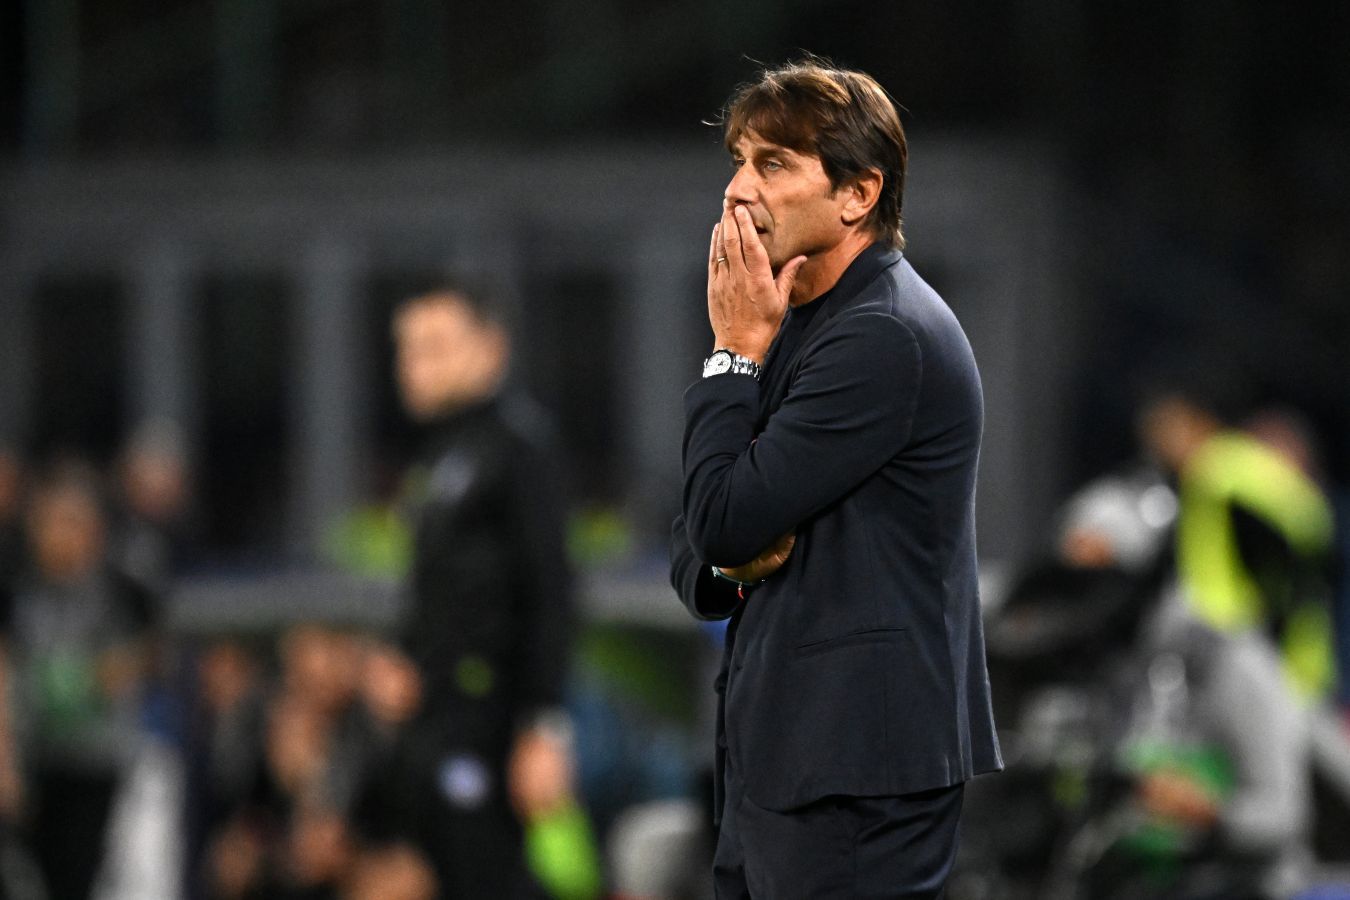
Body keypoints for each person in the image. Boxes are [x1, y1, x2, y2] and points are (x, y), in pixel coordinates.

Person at [669, 58, 1002, 898]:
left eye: (774, 163)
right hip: (785, 765)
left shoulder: (883, 334)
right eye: (739, 161)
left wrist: (731, 354)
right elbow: (697, 541)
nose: (738, 189)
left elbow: (723, 518)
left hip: (856, 776)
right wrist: (727, 559)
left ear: (858, 193)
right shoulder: (792, 324)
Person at [355, 283, 584, 898]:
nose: (414, 364)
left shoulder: (519, 448)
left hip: (492, 722)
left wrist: (544, 726)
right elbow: (441, 593)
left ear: (491, 348)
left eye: (434, 346)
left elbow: (552, 591)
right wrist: (403, 658)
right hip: (436, 721)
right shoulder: (439, 457)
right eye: (407, 349)